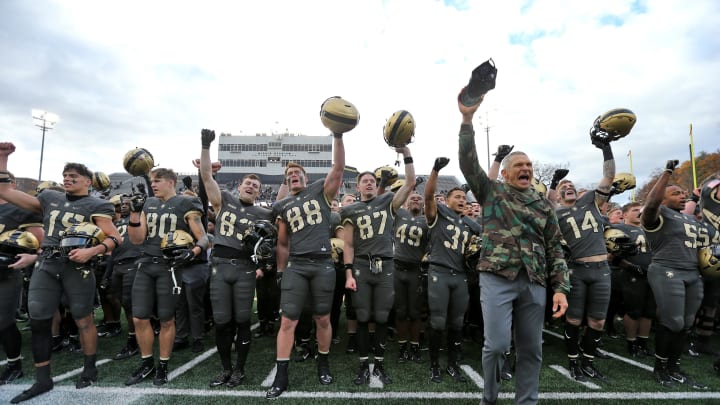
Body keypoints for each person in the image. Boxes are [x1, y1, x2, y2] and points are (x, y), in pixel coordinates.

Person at [457, 96, 570, 405]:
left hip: (534, 282)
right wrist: (467, 122)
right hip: (497, 278)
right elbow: (468, 164)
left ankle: (526, 402)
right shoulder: (491, 193)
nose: (526, 169)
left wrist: (560, 288)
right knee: (495, 346)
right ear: (505, 173)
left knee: (532, 349)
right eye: (519, 165)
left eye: (529, 166)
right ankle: (489, 399)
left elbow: (555, 249)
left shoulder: (544, 205)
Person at [0, 142, 122, 403]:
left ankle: (89, 369)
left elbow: (114, 238)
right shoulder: (49, 198)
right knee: (39, 320)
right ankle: (42, 379)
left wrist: (92, 251)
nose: (67, 179)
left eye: (73, 177)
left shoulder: (97, 205)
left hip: (77, 266)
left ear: (87, 182)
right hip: (47, 262)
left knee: (83, 319)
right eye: (65, 176)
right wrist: (3, 159)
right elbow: (5, 192)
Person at [265, 128, 346, 399]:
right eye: (289, 175)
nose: (293, 176)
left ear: (306, 177)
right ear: (286, 183)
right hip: (297, 265)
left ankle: (323, 362)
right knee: (288, 321)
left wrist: (338, 136)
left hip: (323, 263)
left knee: (322, 317)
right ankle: (282, 374)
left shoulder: (319, 193)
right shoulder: (284, 205)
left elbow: (338, 168)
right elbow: (283, 243)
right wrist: (279, 270)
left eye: (297, 173)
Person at [199, 129, 271, 387]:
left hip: (244, 268)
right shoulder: (224, 201)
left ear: (259, 192)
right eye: (248, 183)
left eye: (256, 185)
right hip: (219, 267)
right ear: (239, 186)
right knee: (221, 321)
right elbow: (207, 176)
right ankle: (225, 368)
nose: (251, 186)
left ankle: (239, 369)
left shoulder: (263, 212)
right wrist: (206, 146)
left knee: (242, 320)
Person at [125, 167, 208, 387]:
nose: (153, 184)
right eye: (152, 180)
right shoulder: (149, 204)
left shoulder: (186, 203)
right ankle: (146, 364)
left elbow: (203, 238)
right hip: (146, 263)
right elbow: (136, 239)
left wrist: (193, 252)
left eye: (158, 180)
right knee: (139, 317)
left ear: (171, 182)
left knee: (166, 319)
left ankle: (162, 365)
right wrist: (134, 215)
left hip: (169, 267)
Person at [342, 147, 415, 385]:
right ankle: (364, 364)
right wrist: (348, 273)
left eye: (372, 180)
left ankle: (380, 363)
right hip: (362, 266)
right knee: (363, 316)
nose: (369, 183)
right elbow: (349, 245)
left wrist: (406, 152)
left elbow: (410, 182)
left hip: (385, 265)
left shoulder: (387, 203)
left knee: (382, 316)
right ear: (358, 187)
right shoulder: (350, 210)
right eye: (364, 181)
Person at [554, 129, 616, 382]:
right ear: (557, 195)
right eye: (563, 186)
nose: (568, 186)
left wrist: (605, 148)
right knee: (575, 318)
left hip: (602, 270)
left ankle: (588, 360)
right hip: (577, 269)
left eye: (570, 184)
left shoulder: (590, 199)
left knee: (598, 321)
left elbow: (609, 176)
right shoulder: (556, 214)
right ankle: (573, 362)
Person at [641, 160, 708, 388]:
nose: (682, 195)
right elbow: (651, 204)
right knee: (673, 321)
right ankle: (660, 367)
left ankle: (674, 366)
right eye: (675, 193)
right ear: (664, 198)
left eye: (683, 193)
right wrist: (666, 174)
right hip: (667, 269)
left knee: (687, 323)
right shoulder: (659, 214)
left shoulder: (691, 219)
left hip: (692, 273)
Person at [423, 157, 481, 383]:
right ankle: (435, 365)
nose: (461, 200)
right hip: (439, 272)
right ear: (446, 201)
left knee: (457, 323)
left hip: (460, 276)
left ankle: (453, 364)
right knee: (437, 322)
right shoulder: (438, 215)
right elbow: (428, 196)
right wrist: (435, 170)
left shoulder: (469, 223)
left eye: (463, 198)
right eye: (456, 197)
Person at [0, 171, 43, 385]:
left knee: (4, 322)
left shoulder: (20, 209)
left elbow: (42, 245)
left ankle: (14, 364)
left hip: (6, 272)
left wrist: (32, 257)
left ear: (12, 185)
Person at [393, 191, 429, 364]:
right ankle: (401, 347)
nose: (416, 199)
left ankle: (414, 346)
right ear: (406, 202)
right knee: (400, 311)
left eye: (419, 198)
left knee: (415, 312)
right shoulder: (399, 214)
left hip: (416, 269)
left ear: (423, 204)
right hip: (397, 267)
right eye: (412, 198)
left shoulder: (428, 220)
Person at [614, 202, 654, 357]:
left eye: (640, 210)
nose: (639, 212)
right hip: (632, 275)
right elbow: (612, 255)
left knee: (649, 311)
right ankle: (631, 342)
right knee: (634, 310)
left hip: (651, 273)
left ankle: (643, 343)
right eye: (635, 210)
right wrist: (631, 267)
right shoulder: (619, 229)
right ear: (624, 215)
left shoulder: (649, 229)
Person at [107, 194, 143, 361]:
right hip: (117, 265)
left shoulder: (139, 219)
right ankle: (133, 335)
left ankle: (133, 339)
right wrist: (107, 273)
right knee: (121, 301)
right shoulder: (117, 223)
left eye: (127, 203)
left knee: (130, 304)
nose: (124, 206)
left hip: (134, 263)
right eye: (122, 203)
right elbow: (112, 250)